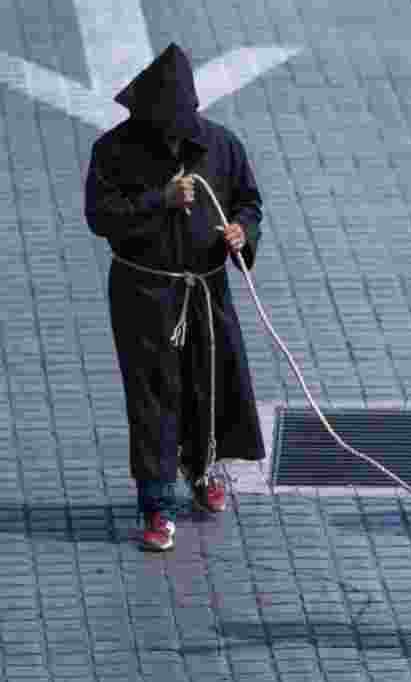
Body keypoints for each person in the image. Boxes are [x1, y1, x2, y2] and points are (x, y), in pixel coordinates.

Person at [85, 43, 265, 552]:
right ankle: (157, 505)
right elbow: (100, 216)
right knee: (152, 398)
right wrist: (158, 200)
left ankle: (204, 469)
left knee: (210, 382)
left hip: (206, 290)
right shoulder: (114, 151)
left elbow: (249, 201)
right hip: (145, 294)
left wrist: (240, 233)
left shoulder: (221, 146)